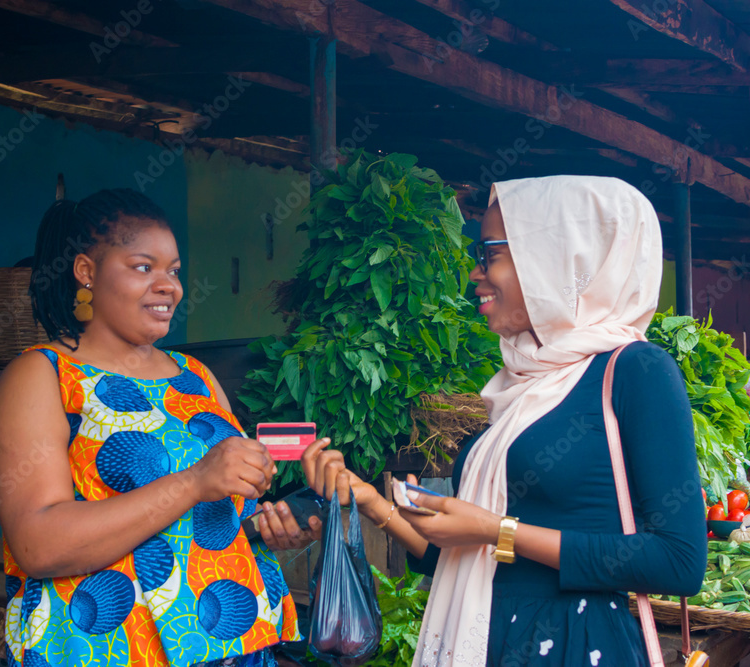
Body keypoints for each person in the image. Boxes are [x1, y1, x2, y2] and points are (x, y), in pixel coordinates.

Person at [300, 175, 707, 666]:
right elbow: (455, 558)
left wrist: (499, 531)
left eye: (491, 254)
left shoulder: (636, 371)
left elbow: (678, 562)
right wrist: (367, 499)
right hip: (491, 638)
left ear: (559, 260)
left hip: (576, 645)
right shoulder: (519, 384)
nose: (475, 273)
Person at [0, 189, 319, 667]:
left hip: (232, 646)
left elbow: (218, 519)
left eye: (175, 271)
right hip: (105, 651)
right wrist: (194, 481)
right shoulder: (43, 376)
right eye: (144, 267)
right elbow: (38, 544)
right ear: (86, 272)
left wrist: (269, 529)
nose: (170, 287)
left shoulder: (195, 377)